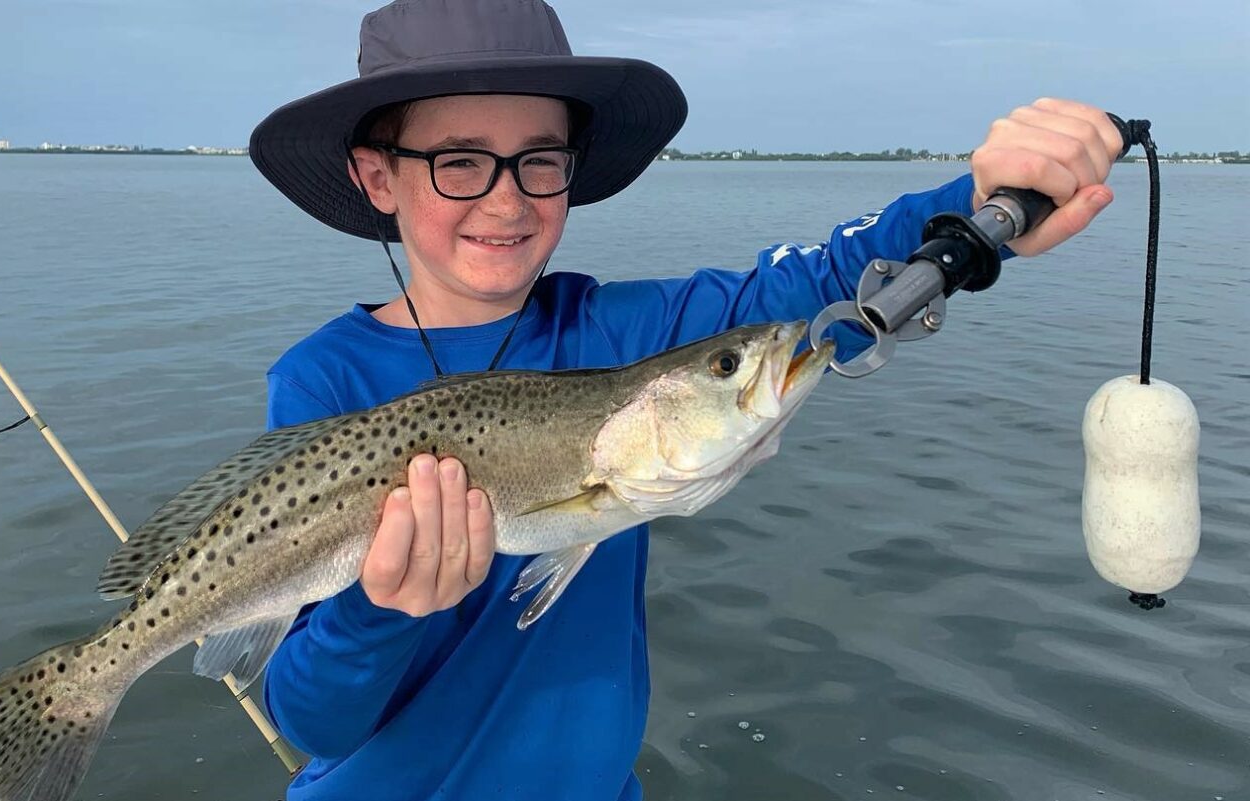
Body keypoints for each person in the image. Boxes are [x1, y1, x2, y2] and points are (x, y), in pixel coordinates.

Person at [247, 1, 1124, 798]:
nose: (506, 198)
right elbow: (314, 721)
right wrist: (377, 608)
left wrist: (978, 203)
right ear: (376, 178)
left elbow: (820, 289)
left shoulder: (633, 333)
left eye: (539, 160)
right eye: (459, 163)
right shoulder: (322, 382)